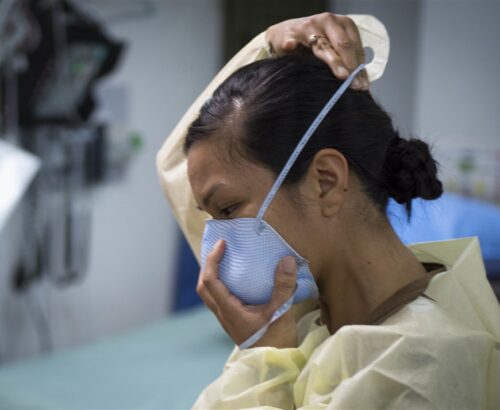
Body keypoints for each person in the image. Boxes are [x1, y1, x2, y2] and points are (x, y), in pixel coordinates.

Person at [157, 12, 500, 409]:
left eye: (229, 210)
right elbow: (184, 169)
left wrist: (261, 360)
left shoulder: (416, 368)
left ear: (325, 181)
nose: (215, 248)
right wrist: (268, 46)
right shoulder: (308, 314)